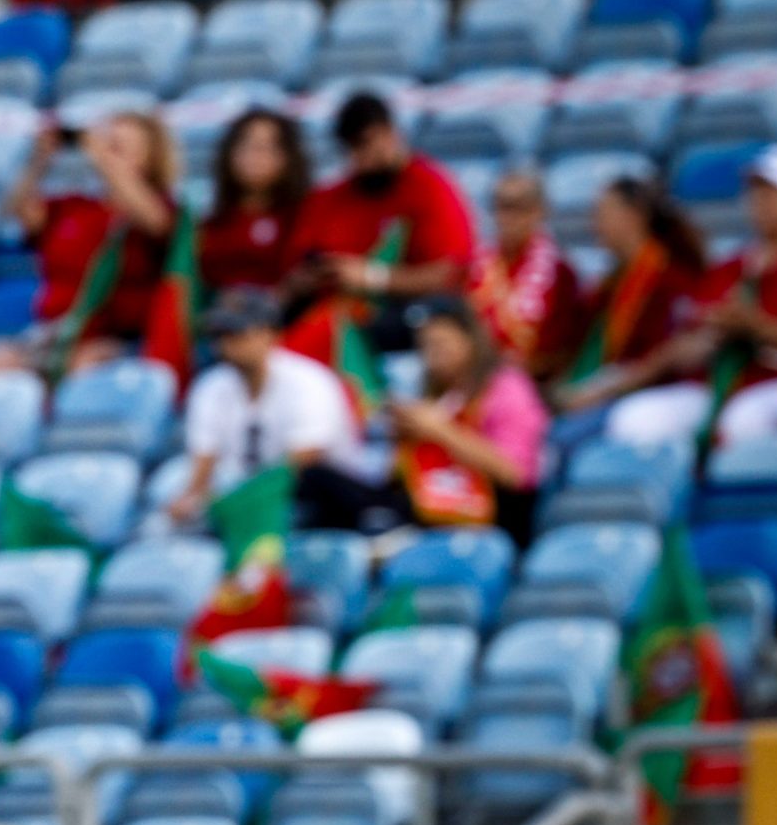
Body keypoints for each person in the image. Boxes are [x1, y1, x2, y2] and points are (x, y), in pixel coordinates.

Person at [601, 144, 777, 451]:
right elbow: (694, 326)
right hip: (718, 379)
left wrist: (756, 326)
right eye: (754, 191)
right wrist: (706, 337)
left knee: (744, 422)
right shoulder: (731, 266)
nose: (760, 202)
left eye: (772, 193)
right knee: (633, 420)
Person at [296, 297, 550, 547]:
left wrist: (439, 431)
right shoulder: (432, 392)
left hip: (492, 510)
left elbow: (515, 475)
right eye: (425, 346)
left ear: (470, 340)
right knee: (316, 479)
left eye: (441, 343)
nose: (433, 354)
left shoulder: (506, 386)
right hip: (427, 498)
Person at [283, 93, 478, 345]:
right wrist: (315, 276)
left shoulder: (430, 187)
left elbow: (448, 275)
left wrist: (371, 277)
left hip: (401, 317)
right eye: (352, 148)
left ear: (391, 133)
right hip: (332, 313)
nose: (362, 158)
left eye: (367, 143)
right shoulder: (329, 198)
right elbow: (294, 270)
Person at [2, 111, 181, 371]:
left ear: (151, 158)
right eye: (109, 144)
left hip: (117, 339)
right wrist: (39, 160)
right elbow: (20, 210)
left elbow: (156, 222)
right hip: (55, 333)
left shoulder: (161, 208)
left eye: (121, 147)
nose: (109, 152)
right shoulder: (76, 207)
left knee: (78, 370)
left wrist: (103, 158)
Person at [166, 288, 360, 526]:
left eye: (236, 332)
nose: (225, 343)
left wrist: (232, 501)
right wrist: (190, 498)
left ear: (270, 333)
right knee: (168, 485)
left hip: (313, 497)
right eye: (218, 334)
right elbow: (204, 458)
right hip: (246, 489)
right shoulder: (211, 385)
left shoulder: (308, 381)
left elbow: (304, 462)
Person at [551, 177, 709, 417]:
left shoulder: (670, 280)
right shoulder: (609, 285)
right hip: (606, 389)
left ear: (634, 216)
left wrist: (598, 392)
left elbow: (667, 358)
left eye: (602, 213)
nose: (595, 225)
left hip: (649, 398)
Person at [468, 171, 586, 381]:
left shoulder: (560, 274)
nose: (507, 217)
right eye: (501, 206)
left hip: (537, 385)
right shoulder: (474, 269)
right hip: (478, 382)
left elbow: (566, 353)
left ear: (539, 211)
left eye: (518, 207)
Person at [199, 108, 310, 294]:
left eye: (268, 147)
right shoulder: (209, 226)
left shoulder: (305, 218)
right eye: (246, 145)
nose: (256, 155)